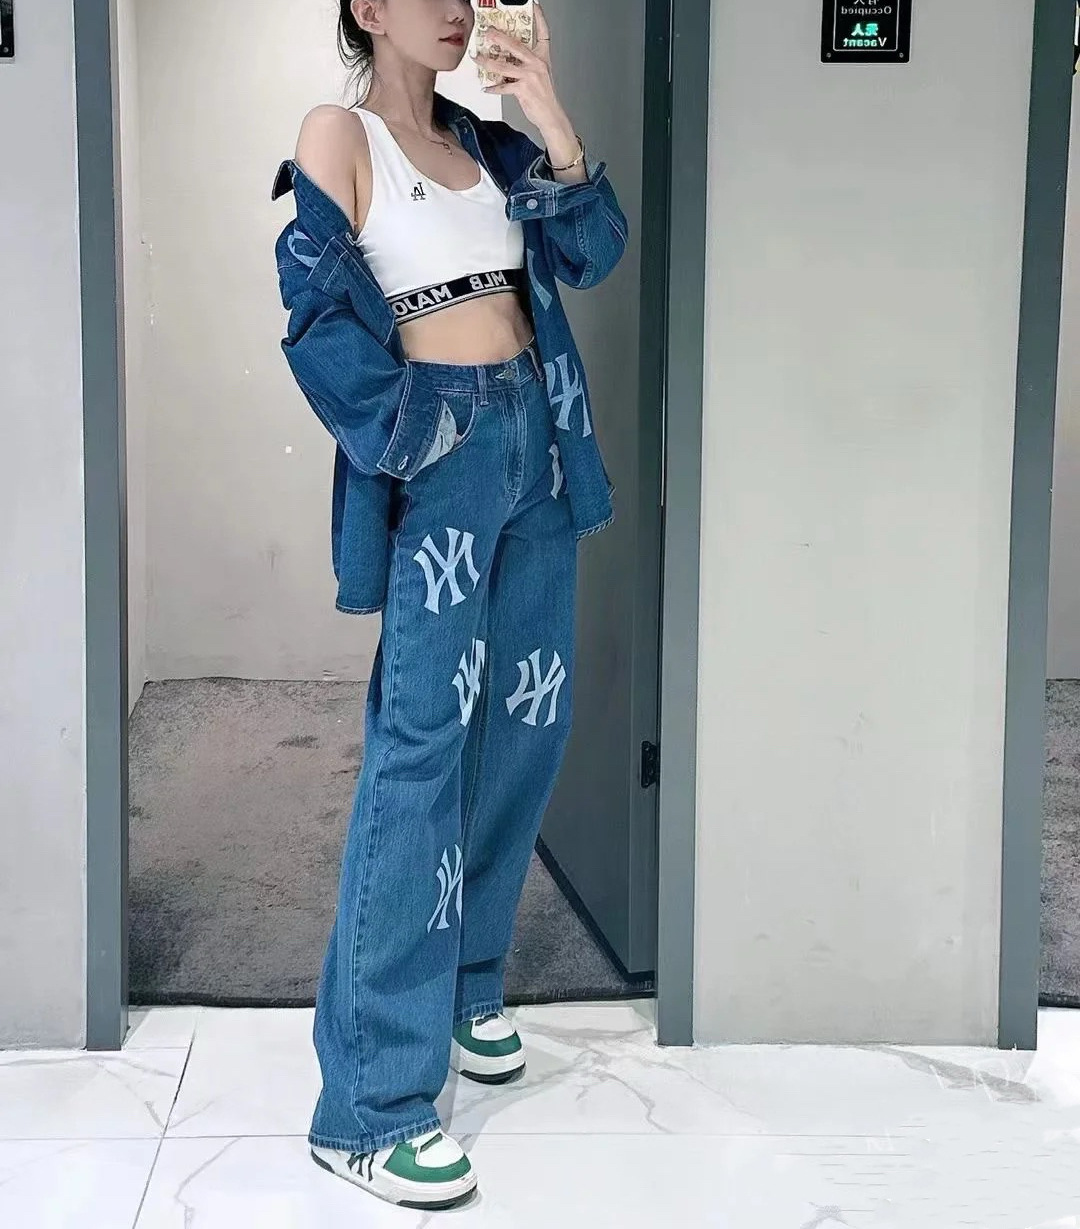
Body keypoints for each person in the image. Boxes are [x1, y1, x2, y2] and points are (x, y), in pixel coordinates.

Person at [271, 0, 627, 1210]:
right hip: (448, 454)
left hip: (539, 442)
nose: (455, 8)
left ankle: (470, 976)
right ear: (367, 10)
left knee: (527, 726)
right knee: (419, 751)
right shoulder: (340, 136)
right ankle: (367, 1105)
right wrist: (423, 433)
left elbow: (593, 252)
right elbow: (315, 315)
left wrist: (550, 114)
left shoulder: (491, 139)